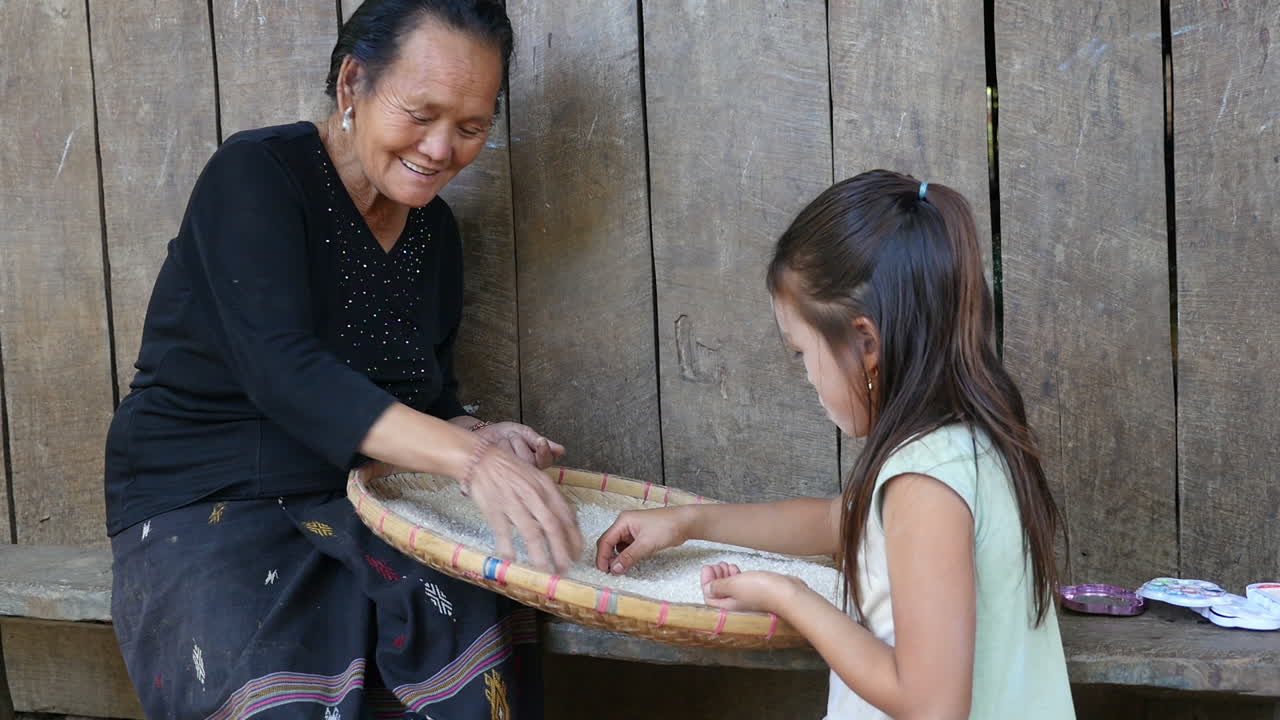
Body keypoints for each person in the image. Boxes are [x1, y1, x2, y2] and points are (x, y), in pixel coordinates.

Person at [104, 1, 580, 717]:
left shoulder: (435, 234)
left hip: (362, 499)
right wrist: (468, 460)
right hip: (209, 498)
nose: (442, 148)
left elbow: (427, 394)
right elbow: (283, 371)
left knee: (461, 643)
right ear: (353, 82)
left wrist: (478, 433)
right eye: (421, 113)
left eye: (472, 126)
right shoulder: (257, 174)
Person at [595, 171, 1075, 719]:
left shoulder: (924, 481)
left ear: (865, 342)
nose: (807, 377)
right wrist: (687, 524)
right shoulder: (965, 444)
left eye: (802, 353)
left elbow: (933, 707)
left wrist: (791, 598)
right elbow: (838, 522)